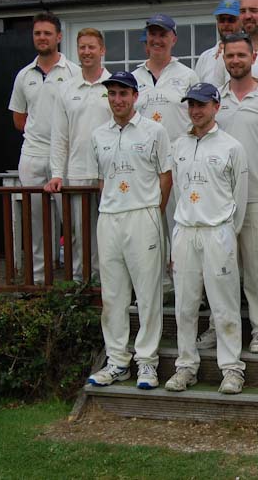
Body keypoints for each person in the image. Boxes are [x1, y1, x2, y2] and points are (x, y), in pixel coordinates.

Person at [196, 33, 258, 355]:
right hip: (218, 201)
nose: (235, 60)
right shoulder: (214, 99)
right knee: (220, 270)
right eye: (230, 55)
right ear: (223, 57)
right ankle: (218, 326)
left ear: (253, 57)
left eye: (241, 55)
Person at [87, 71, 172, 390]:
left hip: (143, 216)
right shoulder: (98, 135)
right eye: (112, 94)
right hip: (109, 217)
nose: (118, 100)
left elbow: (166, 176)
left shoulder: (154, 131)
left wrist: (153, 211)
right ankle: (118, 361)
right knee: (113, 296)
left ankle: (147, 362)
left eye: (124, 94)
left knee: (149, 294)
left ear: (136, 96)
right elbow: (100, 179)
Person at [166, 83, 249, 394]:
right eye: (191, 105)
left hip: (218, 231)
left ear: (216, 106)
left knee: (224, 305)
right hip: (186, 231)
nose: (196, 110)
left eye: (202, 104)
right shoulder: (178, 146)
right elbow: (176, 194)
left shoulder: (231, 147)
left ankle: (232, 369)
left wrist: (227, 233)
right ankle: (186, 366)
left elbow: (239, 200)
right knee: (185, 306)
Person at [9, 12, 80, 283]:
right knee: (36, 223)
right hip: (32, 155)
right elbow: (19, 118)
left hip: (64, 157)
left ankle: (77, 279)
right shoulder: (24, 75)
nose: (42, 37)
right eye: (38, 33)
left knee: (72, 222)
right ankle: (39, 281)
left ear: (59, 37)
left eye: (47, 33)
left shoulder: (73, 72)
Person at [132, 13, 200, 288]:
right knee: (149, 227)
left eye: (163, 34)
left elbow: (198, 116)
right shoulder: (134, 77)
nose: (157, 39)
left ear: (173, 38)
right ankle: (155, 286)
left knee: (179, 226)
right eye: (153, 34)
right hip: (143, 168)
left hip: (178, 165)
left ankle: (184, 284)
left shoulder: (187, 75)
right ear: (146, 39)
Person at [45, 28, 112, 282]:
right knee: (78, 235)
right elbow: (59, 136)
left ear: (102, 50)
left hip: (109, 176)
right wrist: (56, 174)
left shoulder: (115, 86)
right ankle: (80, 284)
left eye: (91, 47)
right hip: (76, 174)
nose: (86, 52)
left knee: (107, 233)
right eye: (82, 47)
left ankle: (107, 283)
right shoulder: (67, 89)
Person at [194, 0, 241, 87]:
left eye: (231, 20)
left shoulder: (251, 53)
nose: (226, 24)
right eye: (222, 20)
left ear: (241, 21)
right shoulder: (205, 57)